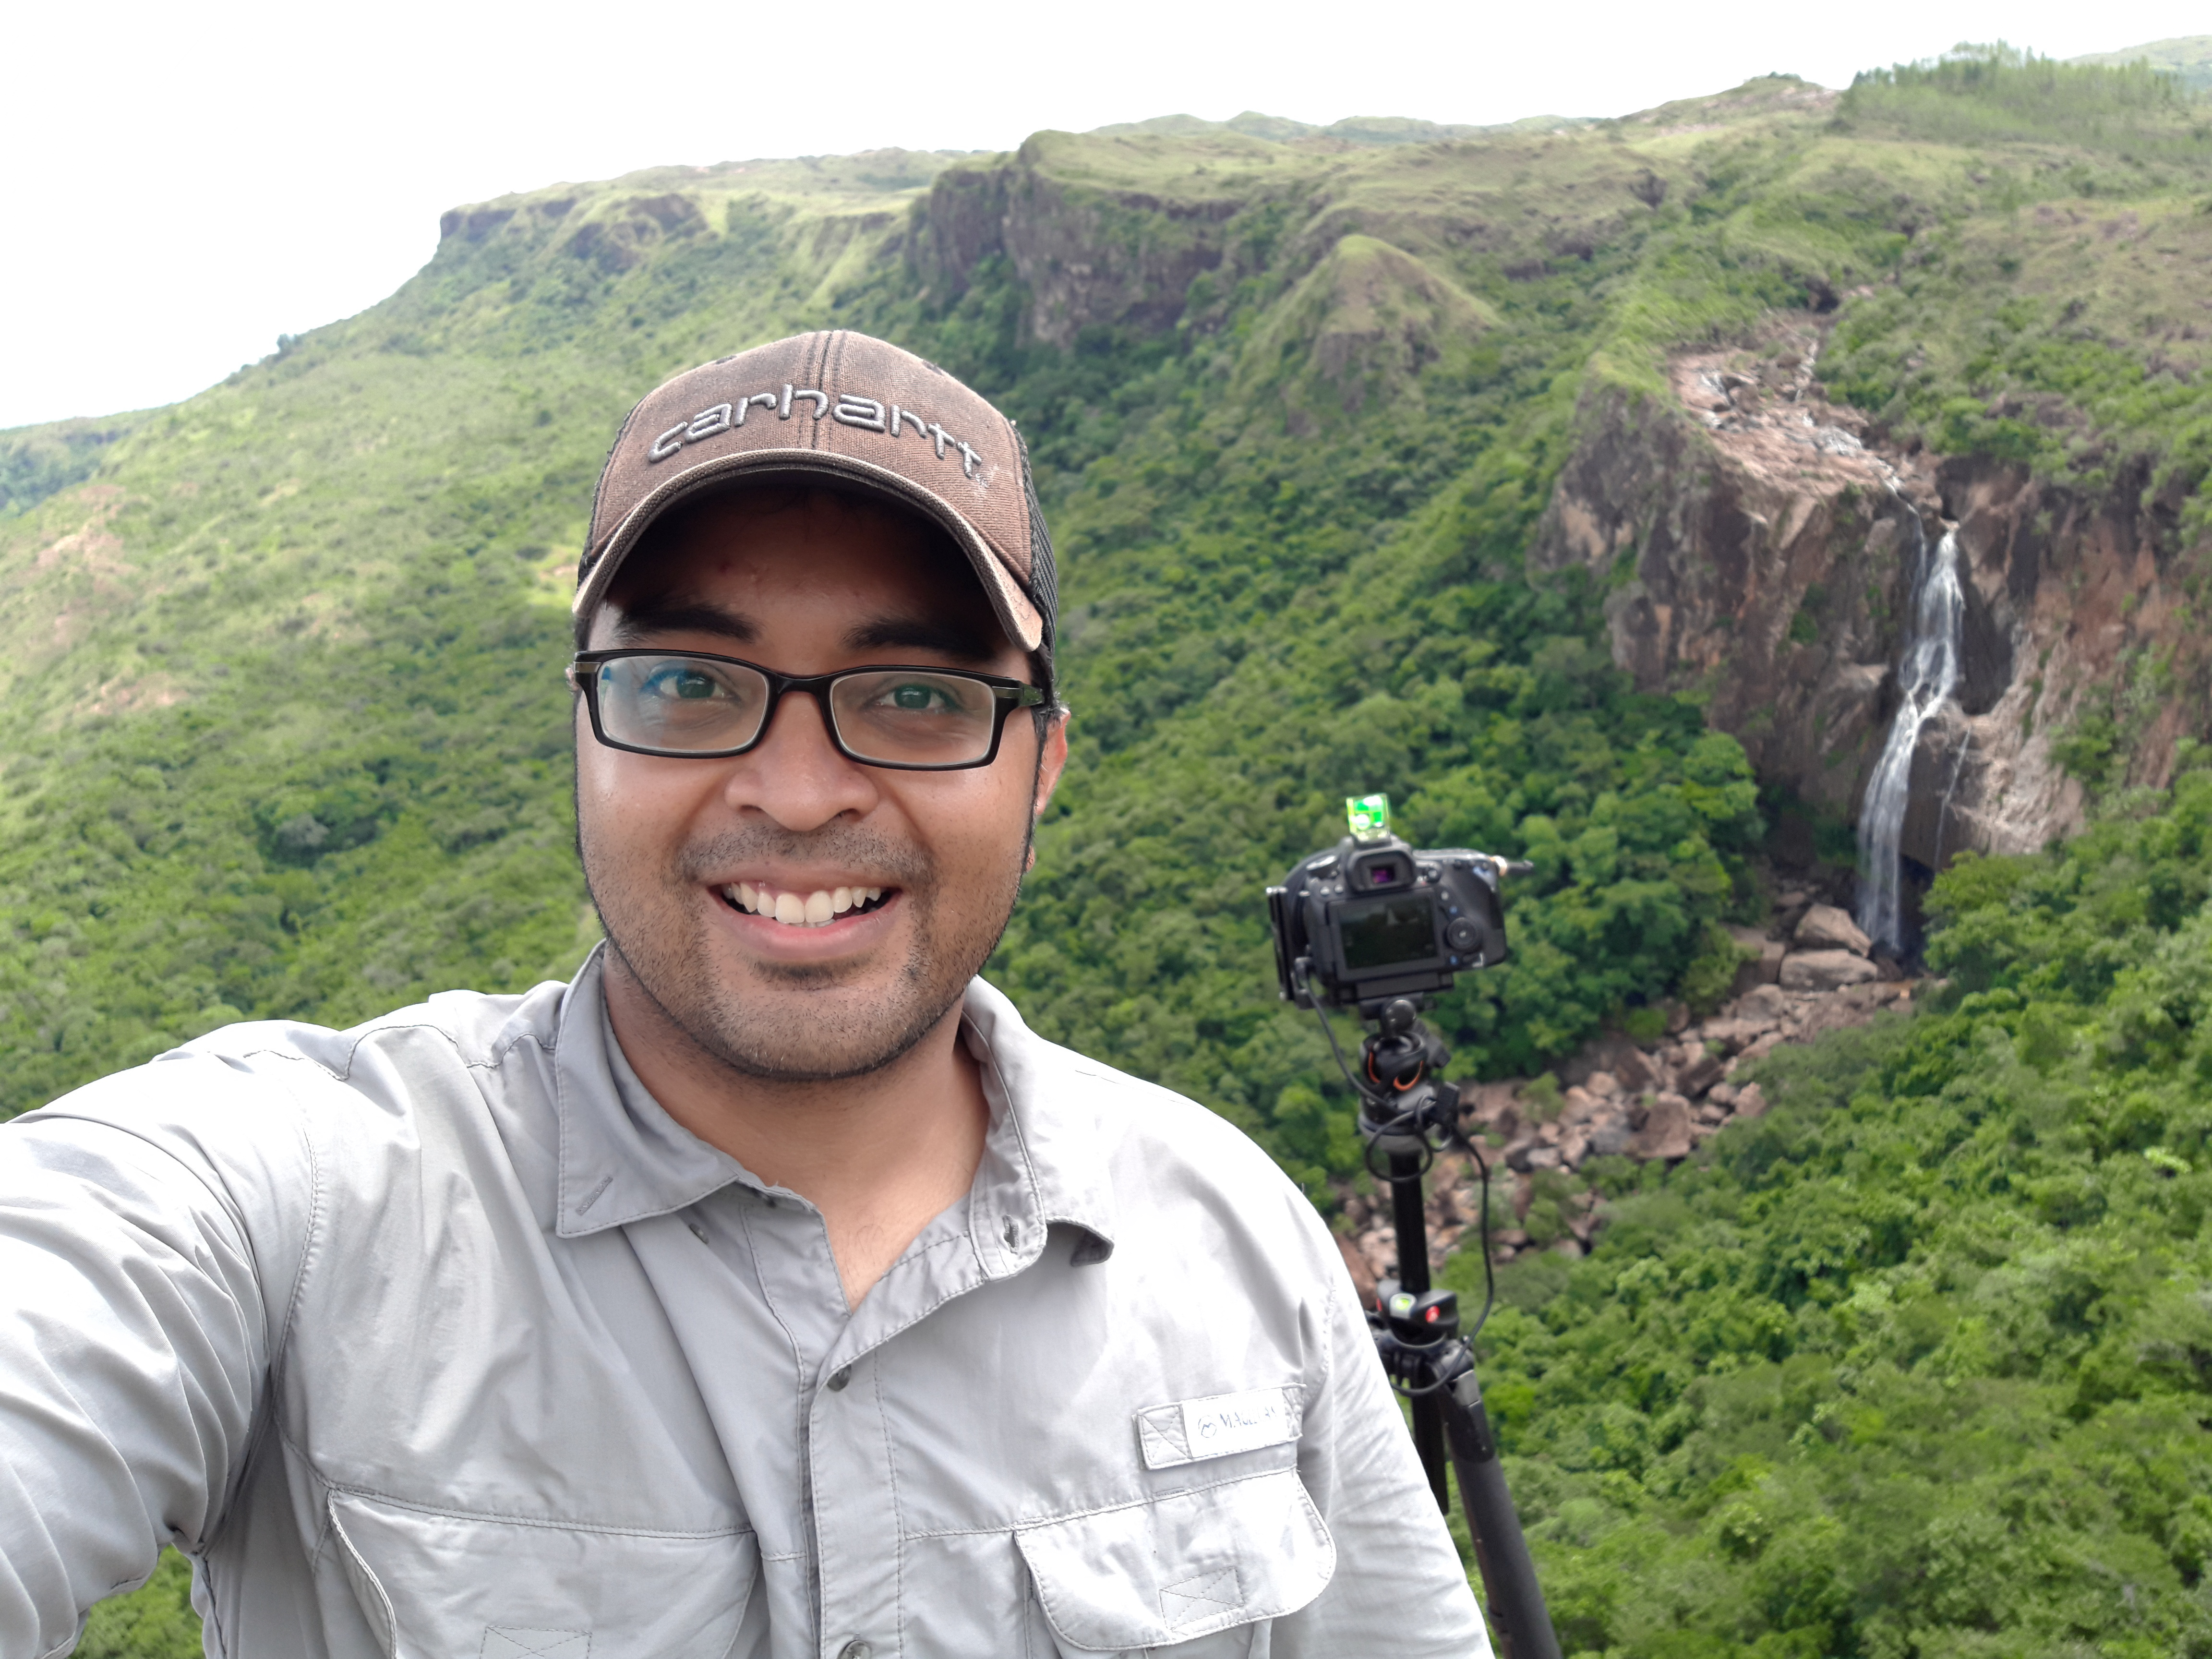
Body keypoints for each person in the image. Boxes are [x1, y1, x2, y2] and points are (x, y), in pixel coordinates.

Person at [0, 331, 1489, 1658]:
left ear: (1040, 766)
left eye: (916, 698)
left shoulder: (1231, 1240)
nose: (794, 791)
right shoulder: (303, 1203)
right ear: (581, 728)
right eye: (688, 684)